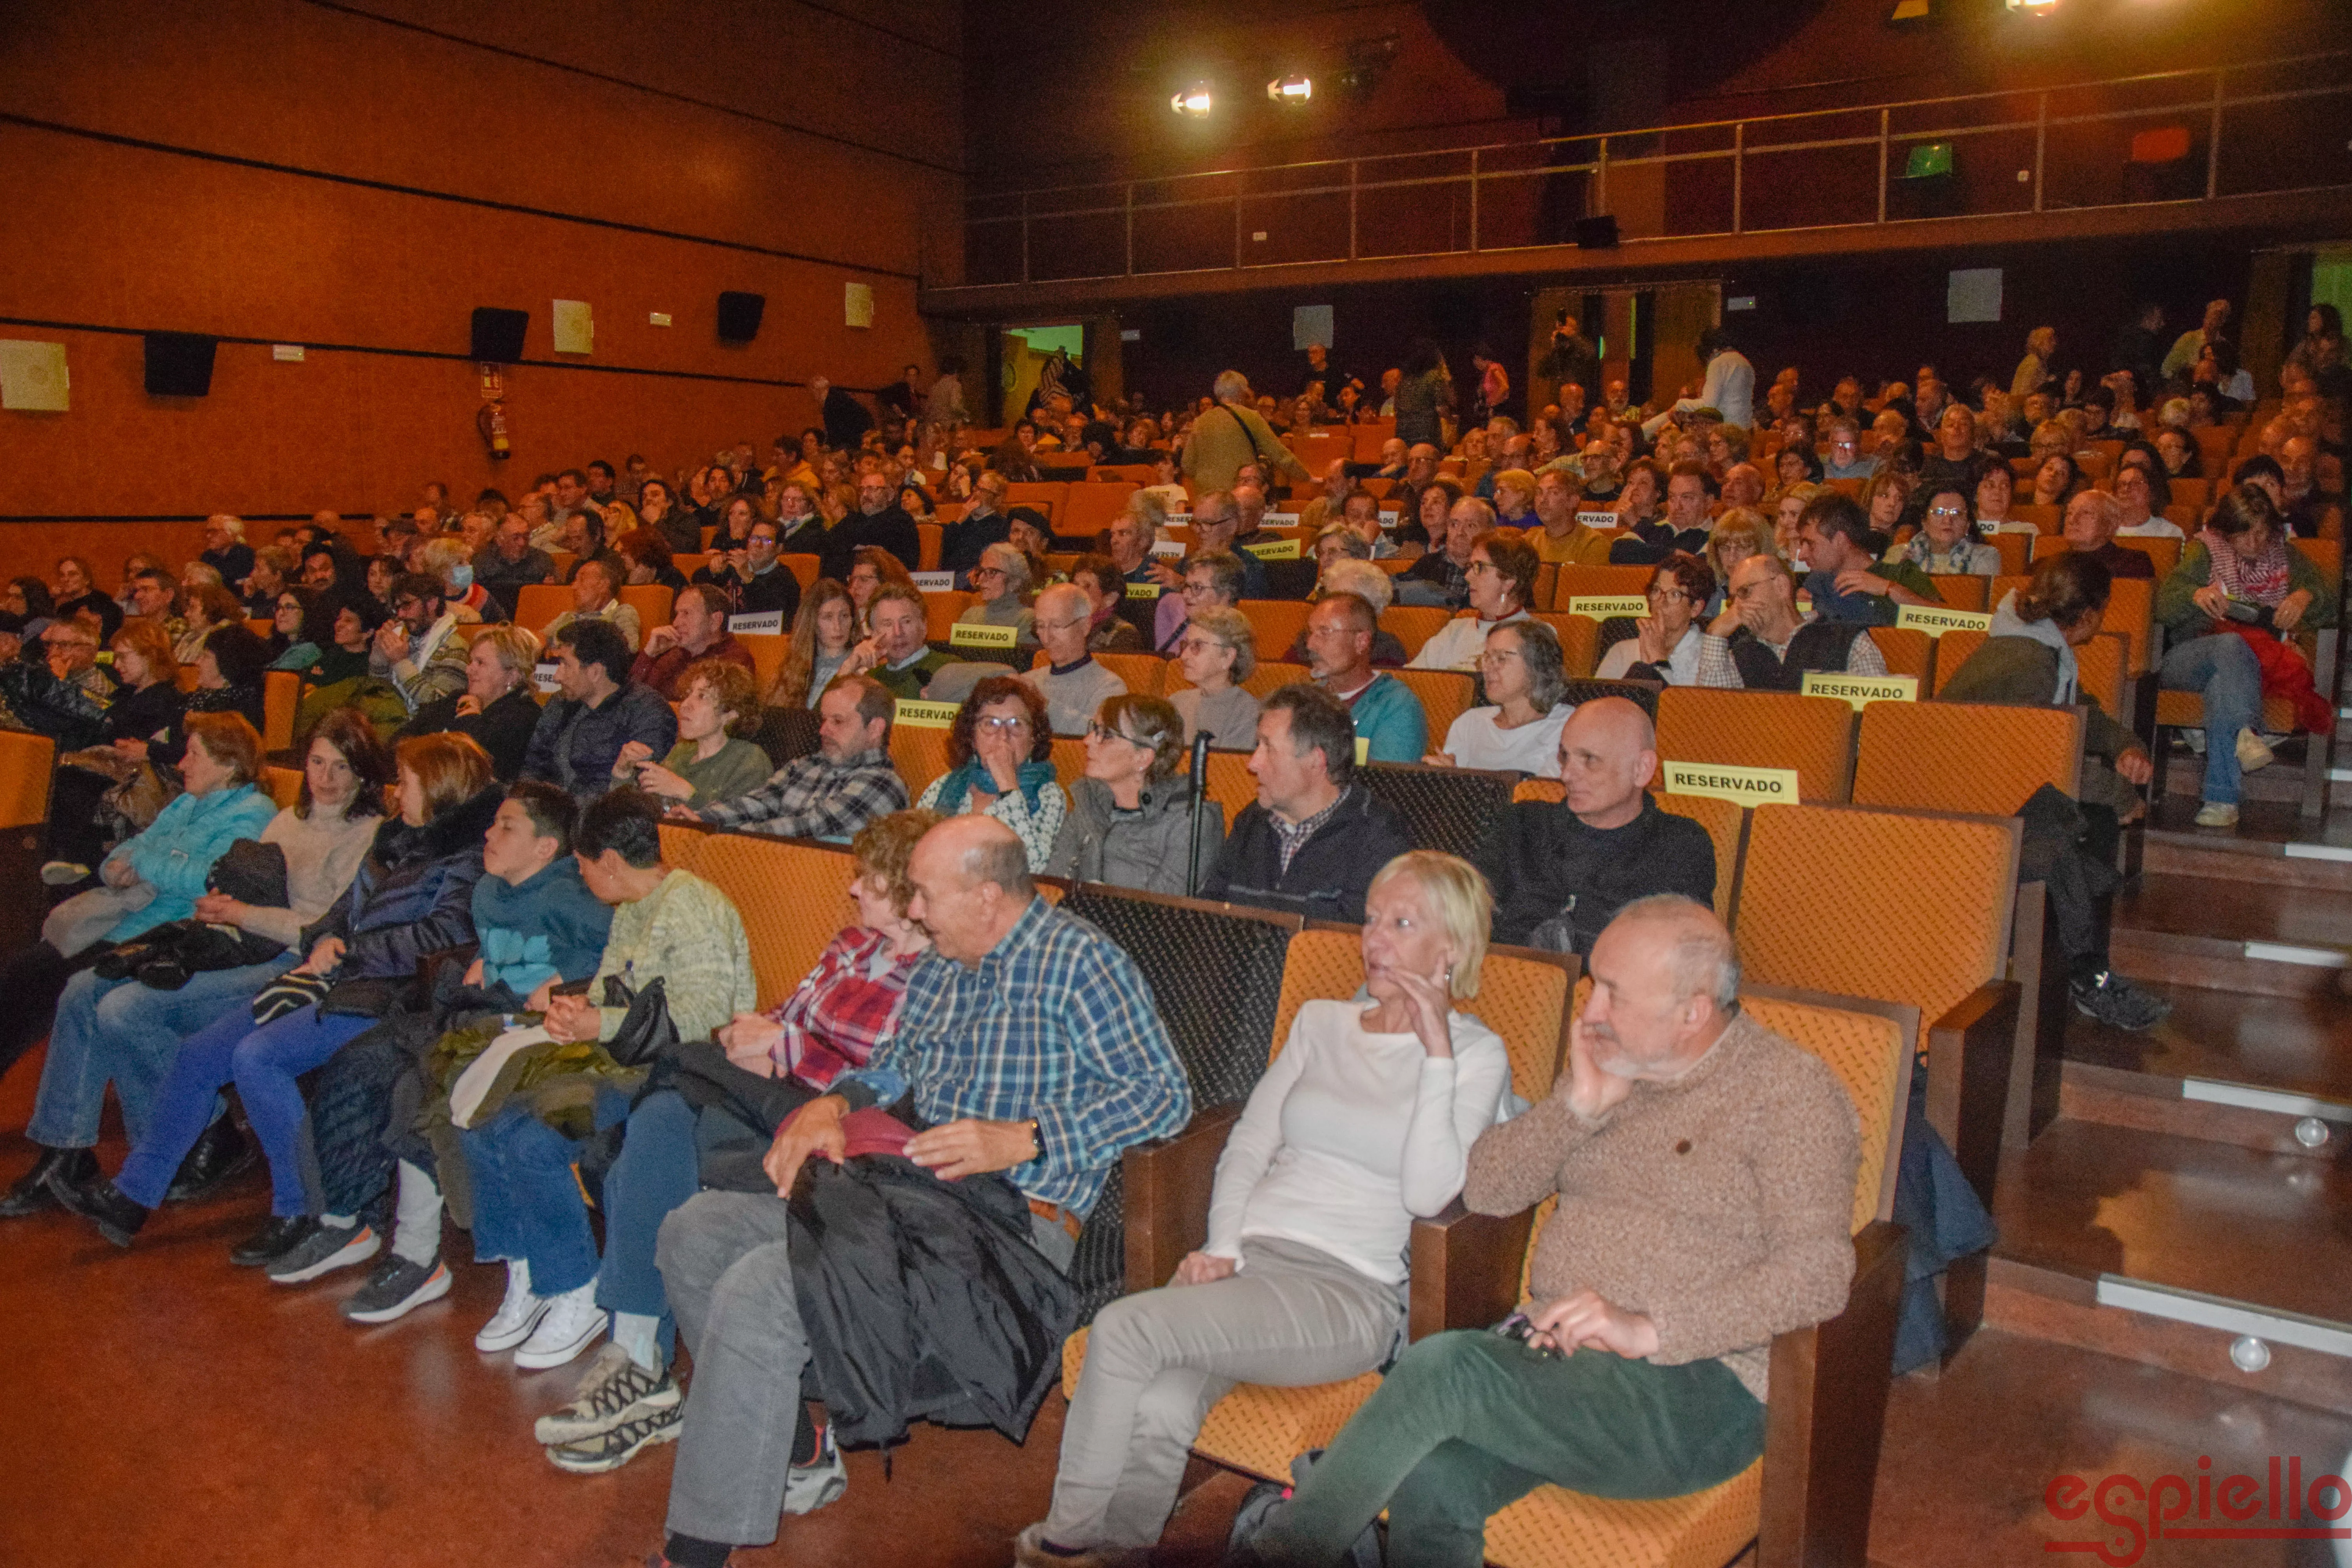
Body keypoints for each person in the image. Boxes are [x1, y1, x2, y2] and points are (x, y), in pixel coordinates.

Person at [1235, 895, 1858, 1568]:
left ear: (1692, 1013)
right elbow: (1488, 1189)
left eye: (1613, 994)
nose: (1589, 1010)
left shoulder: (1789, 1094)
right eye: (1592, 983)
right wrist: (1578, 1109)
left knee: (1444, 1367)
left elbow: (1817, 1274)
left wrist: (1650, 1328)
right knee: (1434, 1476)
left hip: (1696, 1392)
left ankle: (1279, 1555)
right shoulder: (1610, 1059)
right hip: (1556, 1359)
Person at [647, 816, 1191, 1565]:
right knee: (695, 1230)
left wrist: (1027, 1136)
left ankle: (698, 1548)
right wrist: (834, 1104)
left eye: (926, 896)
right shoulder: (942, 965)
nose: (912, 913)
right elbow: (895, 1064)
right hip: (903, 1191)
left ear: (986, 899)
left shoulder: (1081, 965)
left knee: (766, 1286)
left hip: (1013, 1224)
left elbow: (1165, 1097)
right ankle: (801, 1447)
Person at [1022, 852, 1509, 1565]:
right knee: (1159, 1404)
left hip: (1345, 1293)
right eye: (1372, 918)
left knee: (1123, 1331)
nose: (1375, 939)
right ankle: (1118, 1549)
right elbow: (1250, 1140)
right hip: (1251, 1265)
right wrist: (1223, 1247)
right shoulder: (1321, 1022)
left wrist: (1437, 1054)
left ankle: (1059, 1547)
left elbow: (1429, 1195)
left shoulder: (1476, 1053)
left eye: (1402, 923)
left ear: (1454, 949)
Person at [523, 807, 940, 1468]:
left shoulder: (934, 976)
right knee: (663, 1112)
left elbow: (889, 1077)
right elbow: (781, 1016)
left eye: (869, 880)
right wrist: (755, 1036)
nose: (854, 890)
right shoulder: (850, 946)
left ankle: (640, 1365)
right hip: (765, 1095)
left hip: (830, 1125)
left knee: (657, 1118)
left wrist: (786, 1050)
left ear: (913, 893)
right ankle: (638, 1363)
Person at [57, 733, 502, 1265]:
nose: (395, 791)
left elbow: (439, 942)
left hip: (389, 999)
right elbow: (340, 913)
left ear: (438, 788)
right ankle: (134, 1194)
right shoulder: (395, 839)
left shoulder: (464, 860)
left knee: (257, 1057)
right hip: (336, 976)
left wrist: (348, 952)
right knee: (201, 1053)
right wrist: (327, 939)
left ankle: (299, 1206)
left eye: (405, 781)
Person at [0, 710, 281, 1109]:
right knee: (23, 972)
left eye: (194, 755)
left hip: (170, 934)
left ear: (229, 765)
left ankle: (66, 1131)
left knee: (58, 985)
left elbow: (209, 879)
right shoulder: (187, 803)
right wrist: (116, 866)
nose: (182, 764)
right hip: (128, 920)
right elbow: (130, 847)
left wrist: (147, 861)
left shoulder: (254, 813)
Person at [1942, 553, 2167, 1029]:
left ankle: (2088, 973)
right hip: (1966, 813)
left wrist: (2124, 745)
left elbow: (2079, 713)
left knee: (2083, 828)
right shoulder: (2027, 663)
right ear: (2086, 616)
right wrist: (2120, 793)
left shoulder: (2032, 646)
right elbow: (2033, 766)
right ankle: (2089, 979)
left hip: (1990, 796)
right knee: (2079, 834)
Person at [2156, 486, 2338, 829]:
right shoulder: (2205, 550)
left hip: (2237, 673)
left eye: (2261, 534)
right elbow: (2163, 606)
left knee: (2226, 682)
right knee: (2232, 645)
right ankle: (2246, 730)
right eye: (2244, 535)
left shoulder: (2286, 556)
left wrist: (2304, 595)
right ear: (2227, 531)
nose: (2254, 544)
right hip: (2188, 658)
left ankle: (2222, 799)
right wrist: (2195, 594)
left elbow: (2331, 601)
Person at [1473, 697, 1716, 951]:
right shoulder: (1521, 826)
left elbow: (1684, 957)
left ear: (1641, 769)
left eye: (1589, 759)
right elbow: (1464, 914)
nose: (1566, 774)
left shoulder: (1679, 847)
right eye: (1565, 756)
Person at [1199, 684, 1413, 922]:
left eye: (1268, 748)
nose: (1253, 764)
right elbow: (1211, 923)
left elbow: (1354, 946)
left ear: (1315, 760)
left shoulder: (1376, 836)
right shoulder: (1252, 821)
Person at [686, 673, 908, 841]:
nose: (823, 731)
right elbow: (759, 802)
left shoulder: (883, 783)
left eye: (838, 721)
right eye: (824, 720)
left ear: (875, 729)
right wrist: (702, 818)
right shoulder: (807, 765)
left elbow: (811, 827)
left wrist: (722, 835)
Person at [1044, 694, 1225, 895]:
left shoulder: (1189, 821)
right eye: (1093, 729)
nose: (1088, 741)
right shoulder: (1089, 803)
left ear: (1143, 758)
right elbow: (1052, 886)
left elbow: (1164, 912)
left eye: (1106, 735)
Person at [913, 676, 1069, 871]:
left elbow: (1032, 868)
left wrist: (1008, 785)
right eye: (990, 724)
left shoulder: (1048, 795)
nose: (1003, 736)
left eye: (1016, 724)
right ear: (972, 737)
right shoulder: (944, 786)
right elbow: (912, 854)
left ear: (1033, 739)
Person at [523, 619, 679, 798]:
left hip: (605, 817)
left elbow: (640, 792)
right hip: (550, 814)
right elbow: (533, 767)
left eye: (565, 665)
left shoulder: (648, 712)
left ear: (595, 672)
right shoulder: (561, 703)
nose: (557, 677)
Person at [1696, 552, 1889, 689]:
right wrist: (1716, 634)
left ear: (1781, 586)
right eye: (1732, 599)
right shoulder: (1740, 653)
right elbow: (1715, 716)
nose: (1737, 606)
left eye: (1745, 592)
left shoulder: (1848, 641)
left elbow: (1873, 715)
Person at [615, 659, 772, 808]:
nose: (684, 706)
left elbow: (740, 822)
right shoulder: (680, 753)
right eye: (688, 695)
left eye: (702, 696)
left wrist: (684, 792)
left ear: (731, 714)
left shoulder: (749, 760)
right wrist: (622, 773)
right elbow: (635, 817)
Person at [1431, 619, 1574, 775]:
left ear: (1537, 664)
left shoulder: (1568, 727)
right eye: (1486, 658)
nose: (1487, 668)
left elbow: (1545, 796)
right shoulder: (1470, 723)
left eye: (1501, 658)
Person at [1301, 594, 1427, 762]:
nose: (1310, 645)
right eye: (1310, 633)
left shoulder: (1397, 706)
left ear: (1361, 642)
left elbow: (1387, 784)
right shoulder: (1306, 700)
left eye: (1325, 632)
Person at [1798, 492, 1942, 625]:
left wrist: (1888, 589)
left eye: (1810, 544)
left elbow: (1947, 621)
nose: (1802, 555)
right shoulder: (1815, 584)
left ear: (1840, 540)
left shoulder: (1901, 574)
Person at [1409, 533, 1538, 672]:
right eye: (1470, 567)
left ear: (1508, 581)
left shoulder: (1536, 635)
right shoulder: (1455, 630)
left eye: (1479, 568)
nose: (1468, 576)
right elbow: (1413, 679)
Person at [1022, 582, 1129, 736]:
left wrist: (1044, 706)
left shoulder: (1110, 688)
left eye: (1057, 626)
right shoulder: (1029, 681)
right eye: (1041, 626)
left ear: (1085, 626)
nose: (1047, 638)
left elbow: (1103, 736)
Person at [1184, 370, 1310, 494]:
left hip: (1206, 497)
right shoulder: (1251, 417)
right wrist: (1306, 476)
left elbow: (1187, 465)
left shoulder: (1200, 422)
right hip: (1240, 494)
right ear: (1241, 393)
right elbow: (1279, 454)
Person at [1599, 552, 1713, 684]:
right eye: (1657, 591)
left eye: (1675, 595)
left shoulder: (1711, 658)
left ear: (1696, 608)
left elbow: (1684, 704)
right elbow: (1595, 701)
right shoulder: (1623, 651)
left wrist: (1659, 662)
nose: (1661, 601)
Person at [630, 584, 755, 701]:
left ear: (716, 621)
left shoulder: (735, 661)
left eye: (686, 614)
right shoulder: (674, 655)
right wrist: (649, 654)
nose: (676, 623)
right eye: (677, 614)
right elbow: (630, 698)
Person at [369, 572, 471, 715]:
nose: (401, 615)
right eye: (397, 608)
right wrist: (380, 656)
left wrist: (401, 664)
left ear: (431, 604)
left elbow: (440, 707)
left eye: (407, 605)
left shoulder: (455, 648)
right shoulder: (403, 638)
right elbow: (378, 695)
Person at [1168, 606, 1261, 749]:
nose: (1184, 656)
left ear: (1228, 657)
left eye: (1198, 646)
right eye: (1186, 645)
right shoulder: (1176, 703)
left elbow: (1224, 770)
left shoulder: (1247, 714)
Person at [844, 583, 951, 701]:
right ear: (873, 634)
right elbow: (823, 718)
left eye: (906, 622)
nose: (898, 633)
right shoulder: (869, 681)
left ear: (924, 626)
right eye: (888, 624)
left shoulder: (949, 670)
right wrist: (848, 667)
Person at [765, 580, 857, 710]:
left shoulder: (860, 664)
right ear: (811, 622)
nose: (838, 626)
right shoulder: (795, 665)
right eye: (828, 617)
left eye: (845, 616)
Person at [817, 469, 921, 584]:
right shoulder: (854, 518)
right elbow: (829, 543)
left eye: (872, 489)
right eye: (862, 489)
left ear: (890, 495)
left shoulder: (901, 520)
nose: (865, 495)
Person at [1645, 327, 1753, 433]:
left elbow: (1709, 404)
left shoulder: (1718, 362)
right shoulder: (1745, 363)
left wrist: (1680, 405)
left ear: (1713, 350)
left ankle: (1643, 432)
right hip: (1744, 428)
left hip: (1725, 429)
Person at [1396, 497, 1490, 610]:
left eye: (1470, 526)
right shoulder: (1426, 565)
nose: (1460, 532)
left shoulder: (1493, 571)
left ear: (1489, 533)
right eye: (1454, 525)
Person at [1890, 486, 2001, 576]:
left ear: (1968, 525)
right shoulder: (1902, 556)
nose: (1948, 521)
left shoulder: (1985, 557)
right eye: (1939, 513)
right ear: (1925, 523)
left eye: (1956, 514)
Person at [541, 559, 643, 655]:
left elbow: (628, 649)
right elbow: (537, 641)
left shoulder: (621, 612)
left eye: (581, 580)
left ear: (603, 585)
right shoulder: (567, 617)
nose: (574, 587)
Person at [957, 542, 1039, 652]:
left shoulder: (1027, 619)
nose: (981, 578)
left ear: (1015, 582)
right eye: (981, 571)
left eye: (992, 572)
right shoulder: (970, 616)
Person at [1529, 470, 1613, 566]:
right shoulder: (1528, 541)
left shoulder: (1594, 544)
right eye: (1539, 493)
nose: (1543, 500)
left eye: (1553, 493)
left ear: (1573, 501)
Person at [2110, 464, 2185, 541]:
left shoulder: (2169, 534)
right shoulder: (2105, 532)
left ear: (2151, 492)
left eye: (2136, 483)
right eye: (2121, 484)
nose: (2126, 489)